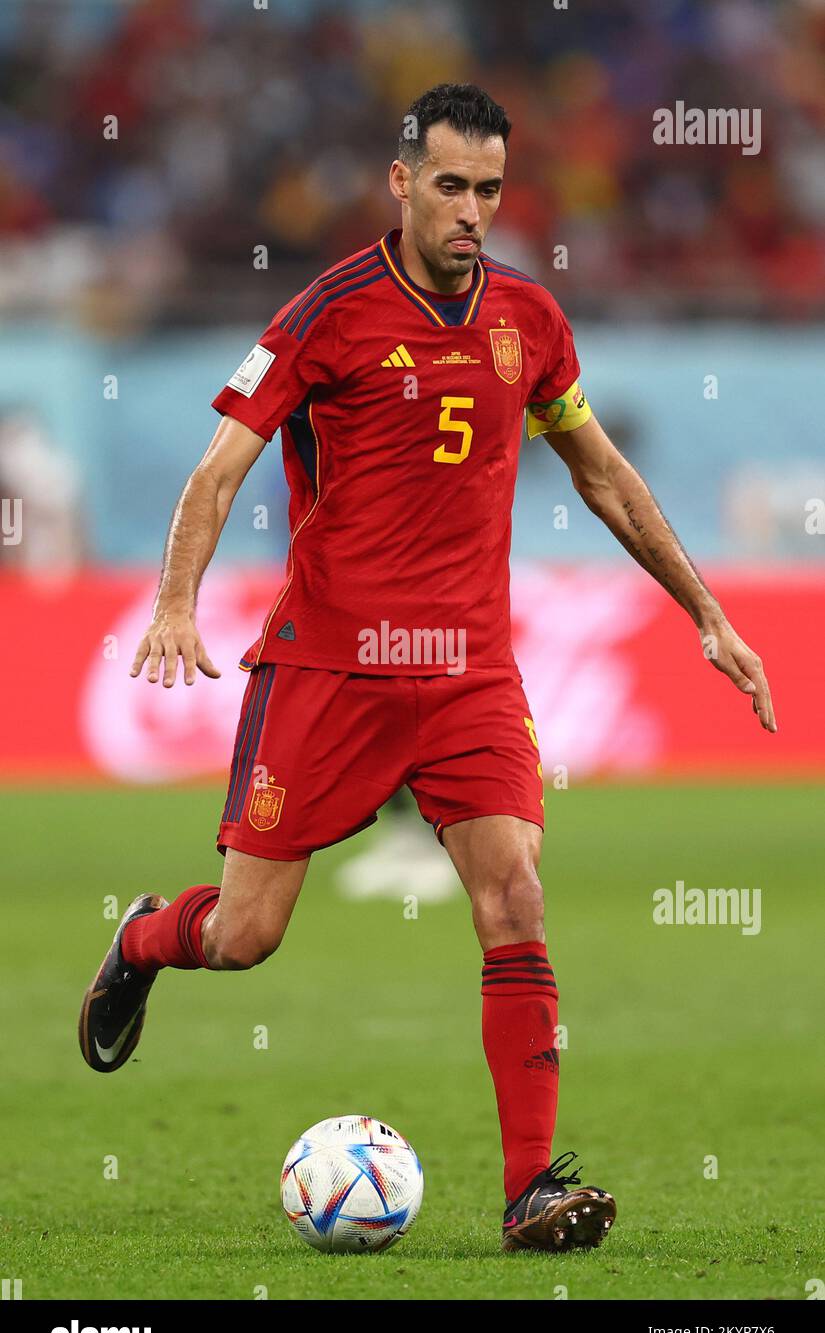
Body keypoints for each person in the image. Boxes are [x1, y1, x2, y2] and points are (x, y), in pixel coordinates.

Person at [79, 84, 775, 1254]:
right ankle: (147, 935)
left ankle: (530, 1192)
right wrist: (173, 600)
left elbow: (601, 473)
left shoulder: (532, 321)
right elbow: (215, 473)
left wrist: (707, 612)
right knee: (246, 934)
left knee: (515, 897)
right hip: (329, 673)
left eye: (490, 190)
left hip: (468, 677)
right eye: (448, 186)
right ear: (401, 183)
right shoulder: (326, 315)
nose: (470, 212)